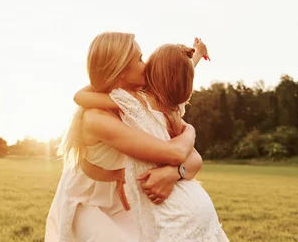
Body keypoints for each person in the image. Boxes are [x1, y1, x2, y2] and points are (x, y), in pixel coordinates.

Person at [45, 32, 203, 242]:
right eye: (139, 59)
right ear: (120, 71)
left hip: (125, 196)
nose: (146, 64)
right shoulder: (99, 116)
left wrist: (174, 173)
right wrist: (189, 131)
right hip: (89, 201)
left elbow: (174, 75)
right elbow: (177, 152)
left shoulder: (145, 102)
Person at [74, 40, 230, 241]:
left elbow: (80, 97)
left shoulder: (134, 103)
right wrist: (196, 55)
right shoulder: (172, 108)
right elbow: (177, 75)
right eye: (140, 59)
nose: (145, 65)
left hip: (175, 218)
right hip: (200, 208)